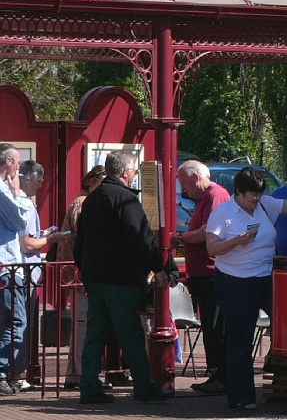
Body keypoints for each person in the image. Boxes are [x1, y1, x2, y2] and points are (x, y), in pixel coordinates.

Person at [206, 167, 287, 411]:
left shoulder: (265, 204)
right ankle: (241, 396)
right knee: (240, 338)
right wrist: (236, 241)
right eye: (251, 196)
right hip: (235, 281)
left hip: (265, 277)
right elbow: (211, 248)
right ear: (239, 193)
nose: (256, 200)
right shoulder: (223, 213)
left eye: (259, 195)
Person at [73, 150, 171, 404]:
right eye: (134, 170)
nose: (135, 174)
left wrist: (84, 270)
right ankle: (144, 385)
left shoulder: (92, 199)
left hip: (95, 278)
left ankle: (90, 386)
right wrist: (157, 267)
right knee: (130, 332)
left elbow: (79, 242)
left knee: (96, 332)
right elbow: (141, 236)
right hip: (121, 278)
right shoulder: (125, 199)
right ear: (126, 172)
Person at [176, 160, 231, 394]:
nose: (183, 189)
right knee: (210, 324)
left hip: (211, 272)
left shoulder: (214, 196)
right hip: (203, 273)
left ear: (196, 178)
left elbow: (208, 232)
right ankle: (216, 373)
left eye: (184, 183)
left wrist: (180, 237)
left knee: (216, 325)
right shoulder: (204, 198)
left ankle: (221, 374)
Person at [16, 160, 67, 391]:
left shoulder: (24, 203)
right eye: (39, 180)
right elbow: (27, 244)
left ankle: (18, 373)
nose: (41, 184)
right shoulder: (24, 205)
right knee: (21, 324)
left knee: (22, 324)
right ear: (27, 179)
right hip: (24, 274)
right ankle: (17, 374)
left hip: (28, 273)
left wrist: (44, 234)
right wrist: (49, 240)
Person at [57, 165, 106, 389]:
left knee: (83, 323)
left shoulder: (84, 201)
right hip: (79, 273)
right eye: (100, 182)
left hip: (80, 272)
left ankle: (75, 374)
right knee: (83, 323)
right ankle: (81, 373)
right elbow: (84, 237)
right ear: (91, 181)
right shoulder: (82, 203)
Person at [0, 143, 30, 396]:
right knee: (16, 320)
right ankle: (1, 373)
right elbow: (21, 222)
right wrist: (18, 193)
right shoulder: (3, 190)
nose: (19, 167)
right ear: (8, 162)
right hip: (7, 267)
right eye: (17, 162)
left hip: (6, 265)